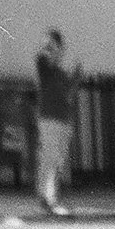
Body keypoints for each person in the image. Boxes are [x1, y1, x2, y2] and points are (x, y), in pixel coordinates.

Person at [34, 28, 80, 217]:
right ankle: (46, 198)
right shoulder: (44, 66)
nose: (51, 49)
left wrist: (76, 77)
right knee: (50, 157)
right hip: (49, 119)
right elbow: (45, 57)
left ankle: (52, 198)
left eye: (55, 45)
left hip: (62, 119)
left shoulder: (60, 73)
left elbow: (69, 93)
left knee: (58, 160)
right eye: (51, 45)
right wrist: (51, 47)